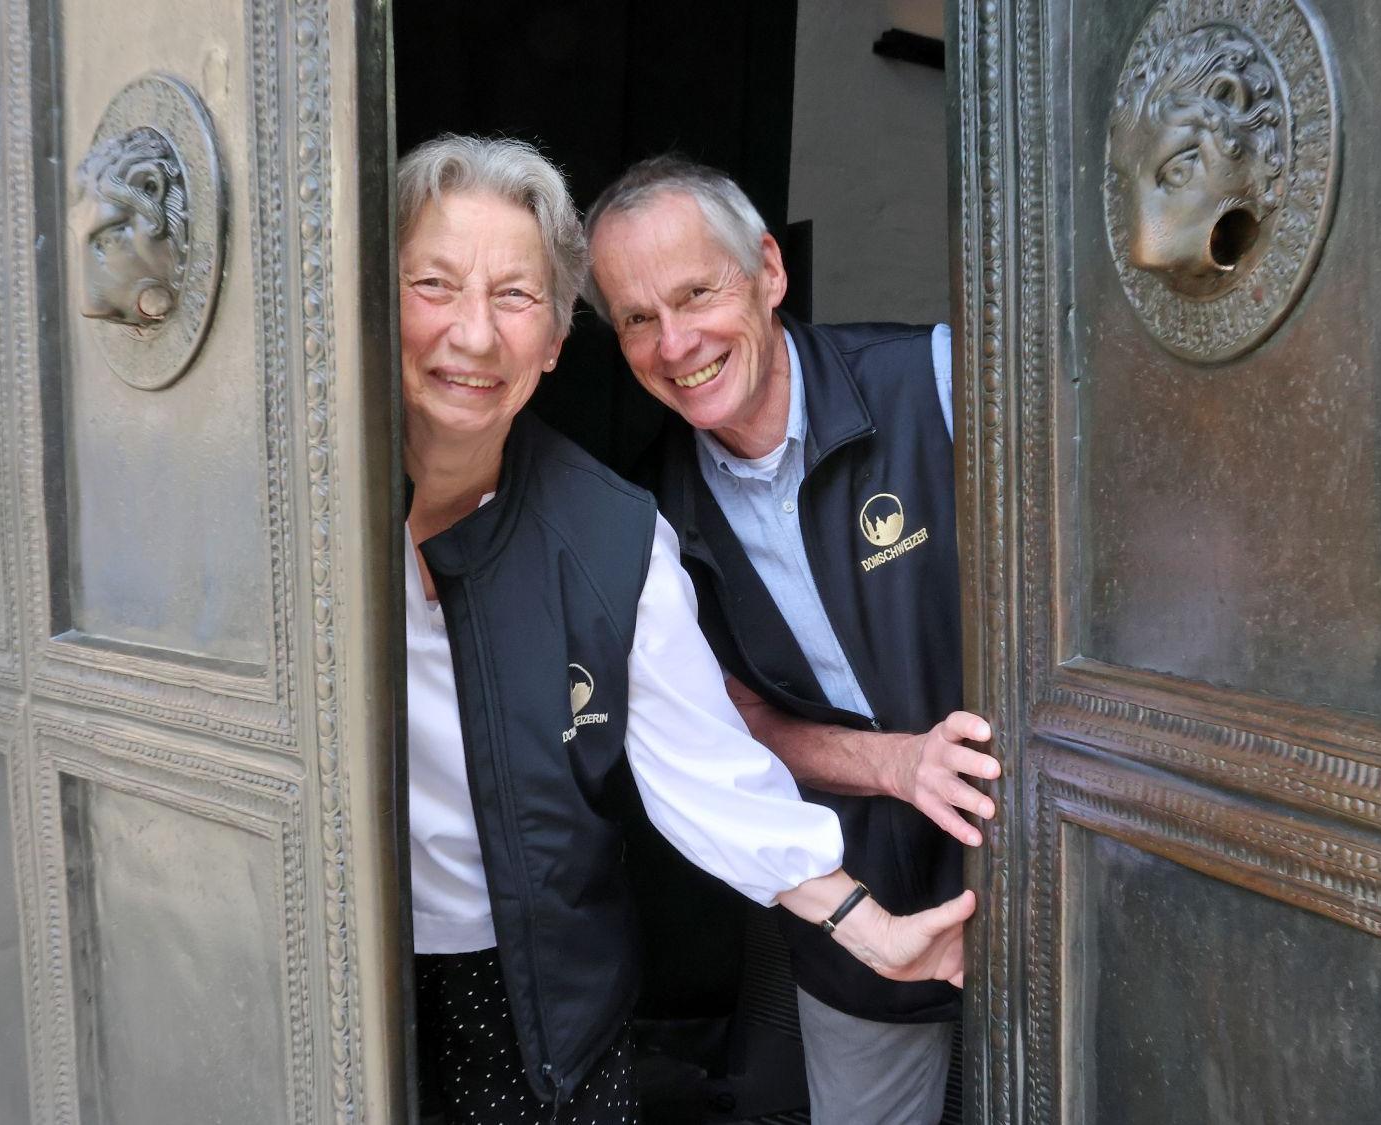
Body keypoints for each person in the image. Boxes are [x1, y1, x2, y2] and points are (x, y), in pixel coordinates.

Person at [397, 134, 973, 1125]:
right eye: (434, 284)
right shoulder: (275, 494)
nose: (473, 336)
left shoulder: (616, 535)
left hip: (536, 999)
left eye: (515, 297)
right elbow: (735, 727)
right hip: (304, 961)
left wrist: (866, 921)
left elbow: (706, 767)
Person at [585, 156, 997, 1124]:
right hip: (854, 909)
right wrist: (899, 765)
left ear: (767, 271)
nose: (675, 341)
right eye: (637, 318)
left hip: (1041, 871)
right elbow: (735, 725)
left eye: (695, 292)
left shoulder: (933, 381)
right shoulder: (644, 518)